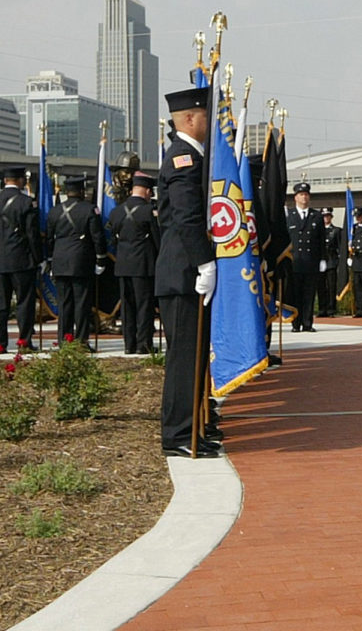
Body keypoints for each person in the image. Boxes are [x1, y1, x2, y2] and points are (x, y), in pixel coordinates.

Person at [155, 85, 220, 458]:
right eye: (207, 116)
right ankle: (178, 433)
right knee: (183, 358)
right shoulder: (183, 159)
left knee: (195, 356)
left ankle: (194, 425)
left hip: (187, 273)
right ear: (191, 119)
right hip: (183, 274)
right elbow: (187, 217)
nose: (211, 124)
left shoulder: (193, 157)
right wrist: (204, 262)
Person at [0, 166, 42, 351]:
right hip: (22, 259)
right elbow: (32, 235)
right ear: (19, 180)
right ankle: (24, 341)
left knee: (1, 304)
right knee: (24, 302)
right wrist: (39, 258)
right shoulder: (26, 203)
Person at [46, 175, 108, 345]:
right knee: (81, 303)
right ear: (81, 191)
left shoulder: (54, 211)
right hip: (81, 262)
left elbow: (49, 240)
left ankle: (64, 339)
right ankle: (81, 340)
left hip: (60, 261)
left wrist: (51, 260)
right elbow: (97, 238)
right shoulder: (89, 210)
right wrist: (101, 260)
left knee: (64, 303)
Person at [108, 170, 160, 353]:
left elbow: (113, 240)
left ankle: (128, 344)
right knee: (144, 306)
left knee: (127, 306)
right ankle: (143, 344)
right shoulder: (148, 211)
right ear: (147, 191)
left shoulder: (115, 212)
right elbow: (157, 240)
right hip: (144, 265)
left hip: (122, 264)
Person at [284, 182, 324, 332]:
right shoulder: (290, 216)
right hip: (295, 262)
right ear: (295, 197)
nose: (304, 197)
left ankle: (307, 323)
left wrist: (323, 259)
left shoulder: (317, 216)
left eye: (306, 194)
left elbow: (321, 240)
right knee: (295, 294)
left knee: (309, 294)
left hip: (311, 261)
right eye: (301, 194)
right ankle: (296, 323)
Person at [319, 208, 343, 317]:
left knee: (331, 287)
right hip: (320, 262)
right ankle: (322, 309)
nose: (326, 218)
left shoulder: (337, 231)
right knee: (321, 287)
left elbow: (340, 247)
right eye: (324, 216)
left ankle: (331, 309)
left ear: (331, 217)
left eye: (328, 216)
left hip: (331, 261)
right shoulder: (318, 230)